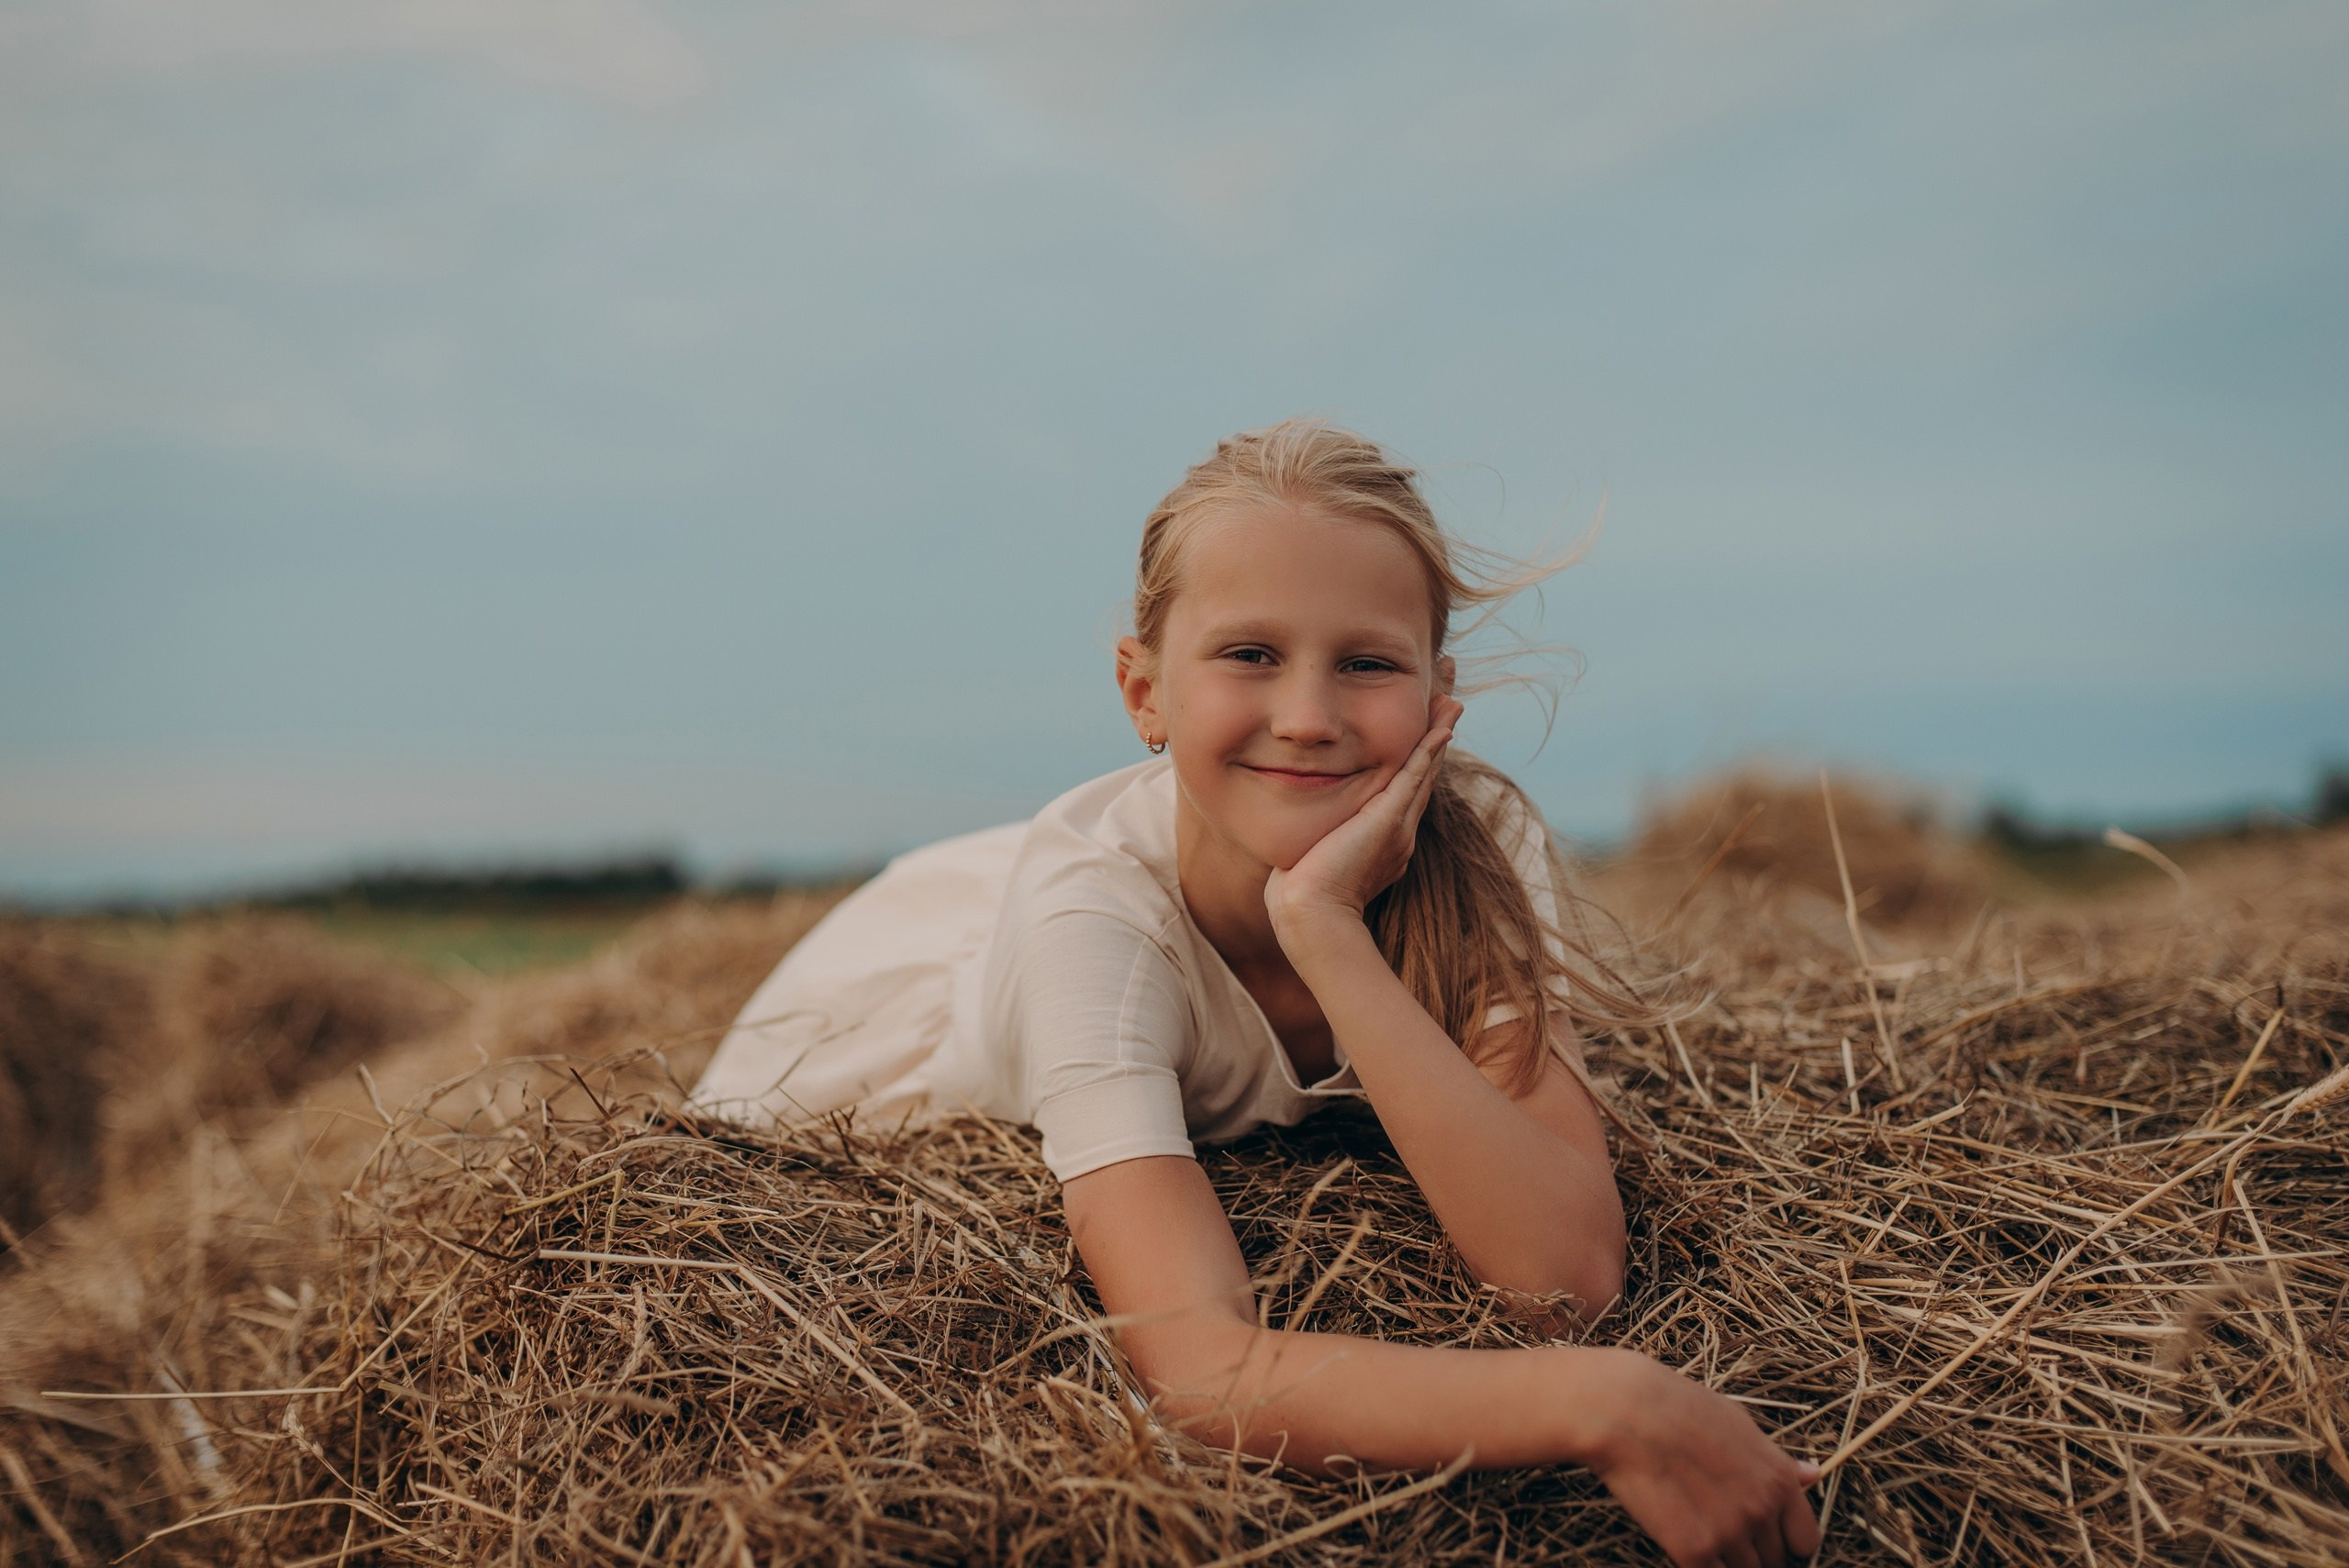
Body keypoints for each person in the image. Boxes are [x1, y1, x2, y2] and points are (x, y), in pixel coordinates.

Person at [690, 420, 1821, 1567]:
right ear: (1144, 692)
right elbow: (1199, 1370)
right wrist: (1602, 1402)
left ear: (1439, 695)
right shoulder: (1095, 925)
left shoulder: (1480, 845)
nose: (1308, 716)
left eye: (1368, 663)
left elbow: (1563, 1281)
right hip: (922, 1011)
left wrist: (1324, 929)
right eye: (1248, 654)